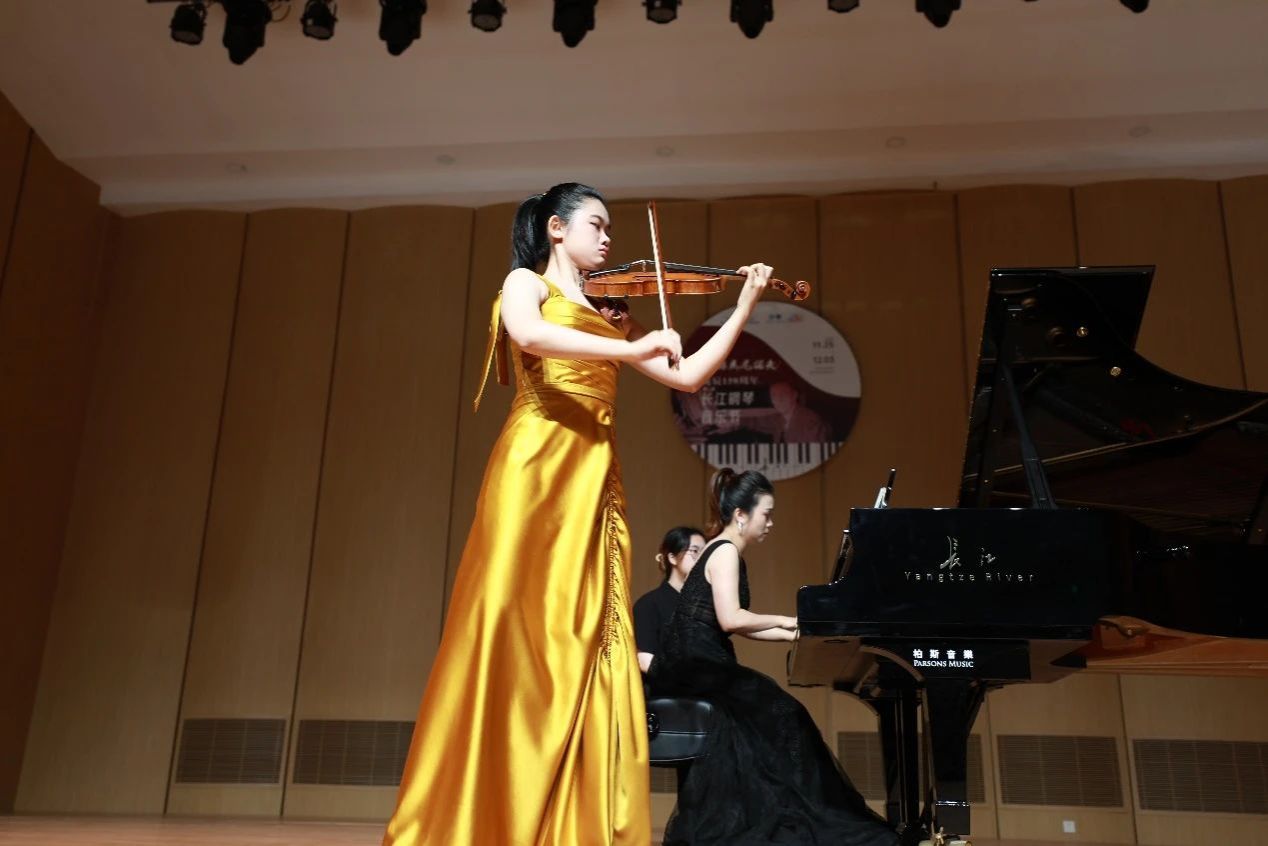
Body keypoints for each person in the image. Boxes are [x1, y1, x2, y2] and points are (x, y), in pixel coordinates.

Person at [382, 183, 776, 846]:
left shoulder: (608, 312)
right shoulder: (527, 284)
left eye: (610, 228)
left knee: (587, 635)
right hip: (535, 470)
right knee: (512, 622)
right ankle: (487, 803)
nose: (608, 238)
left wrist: (744, 305)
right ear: (556, 229)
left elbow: (688, 377)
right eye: (597, 225)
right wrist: (630, 349)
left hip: (594, 478)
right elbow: (529, 334)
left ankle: (564, 815)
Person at [651, 468, 900, 846]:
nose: (770, 522)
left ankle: (788, 815)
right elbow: (733, 619)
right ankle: (806, 818)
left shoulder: (724, 549)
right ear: (741, 515)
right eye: (766, 514)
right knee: (785, 714)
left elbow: (743, 626)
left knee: (771, 721)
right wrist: (787, 620)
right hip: (694, 665)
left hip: (699, 662)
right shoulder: (726, 551)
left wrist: (797, 632)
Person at [633, 526, 706, 674]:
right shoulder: (649, 604)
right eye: (694, 551)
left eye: (704, 553)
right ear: (672, 557)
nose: (701, 558)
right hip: (668, 684)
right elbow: (644, 660)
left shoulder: (704, 604)